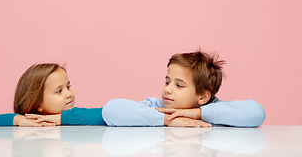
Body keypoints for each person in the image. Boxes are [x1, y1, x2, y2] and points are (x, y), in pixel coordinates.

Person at [102, 50, 266, 127]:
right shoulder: (157, 108)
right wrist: (167, 120)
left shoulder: (216, 111)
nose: (168, 90)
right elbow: (110, 110)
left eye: (179, 85)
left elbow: (257, 113)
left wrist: (198, 113)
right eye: (167, 82)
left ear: (202, 97)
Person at [0, 63, 105, 127]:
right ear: (38, 103)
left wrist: (63, 118)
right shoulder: (27, 123)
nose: (69, 94)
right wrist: (17, 120)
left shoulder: (76, 117)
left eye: (68, 87)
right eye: (59, 91)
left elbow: (105, 116)